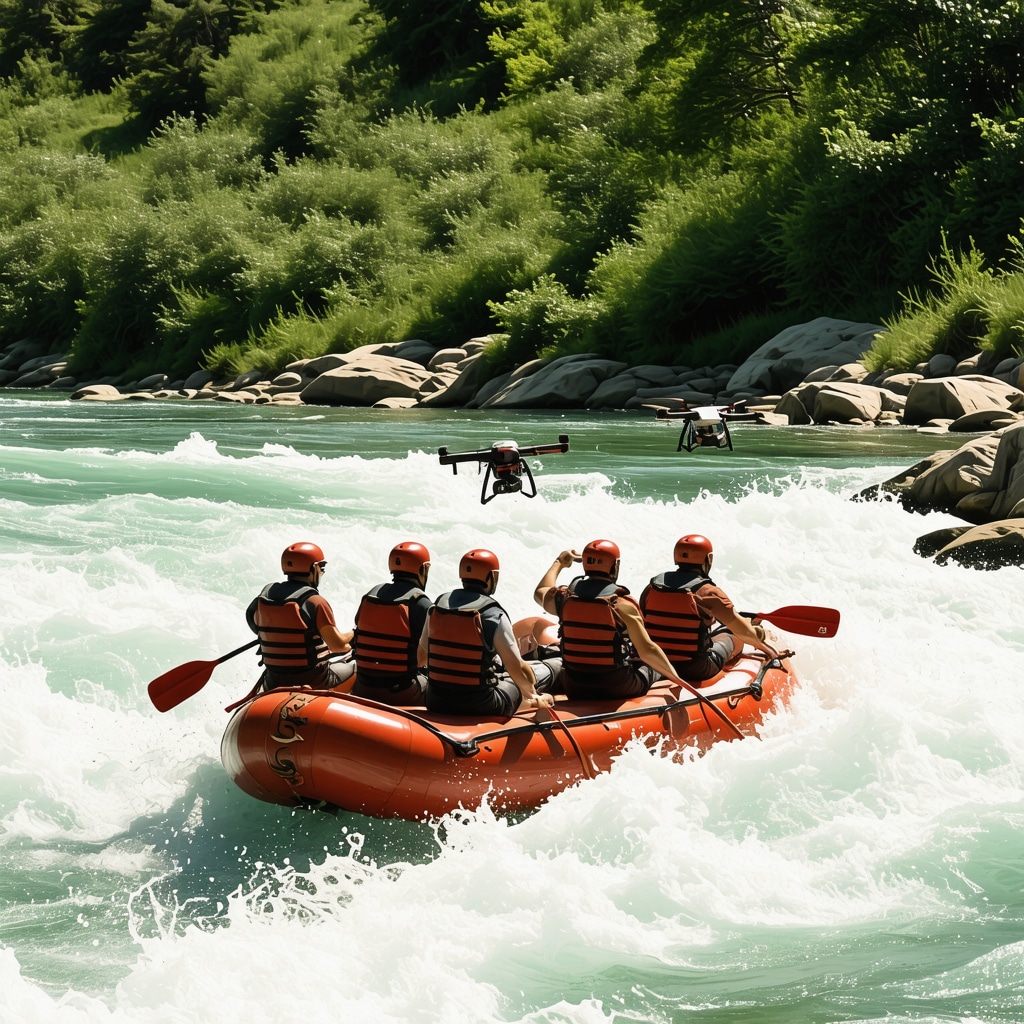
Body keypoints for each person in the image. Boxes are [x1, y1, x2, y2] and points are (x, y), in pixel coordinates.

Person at [533, 539, 690, 700]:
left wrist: (560, 562)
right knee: (652, 667)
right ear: (614, 566)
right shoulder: (622, 604)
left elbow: (540, 592)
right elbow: (647, 650)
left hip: (574, 685)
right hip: (617, 686)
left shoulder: (563, 598)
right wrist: (677, 678)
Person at [421, 548, 555, 717]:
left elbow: (422, 657)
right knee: (513, 685)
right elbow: (516, 666)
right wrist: (532, 693)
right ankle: (531, 703)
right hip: (479, 704)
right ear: (492, 577)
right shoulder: (493, 614)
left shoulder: (437, 606)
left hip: (435, 700)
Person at [638, 534, 782, 683]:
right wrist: (768, 649)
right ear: (709, 559)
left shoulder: (652, 587)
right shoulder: (708, 592)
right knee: (734, 636)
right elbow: (743, 632)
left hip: (655, 663)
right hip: (695, 669)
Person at [245, 541, 355, 691]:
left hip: (273, 681)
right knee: (357, 667)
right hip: (314, 681)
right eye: (322, 567)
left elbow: (255, 626)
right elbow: (338, 646)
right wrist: (354, 635)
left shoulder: (264, 596)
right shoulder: (315, 602)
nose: (322, 572)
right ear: (314, 568)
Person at [349, 541, 432, 705]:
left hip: (362, 687)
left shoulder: (371, 594)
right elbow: (423, 659)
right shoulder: (420, 603)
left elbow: (358, 626)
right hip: (402, 691)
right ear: (423, 568)